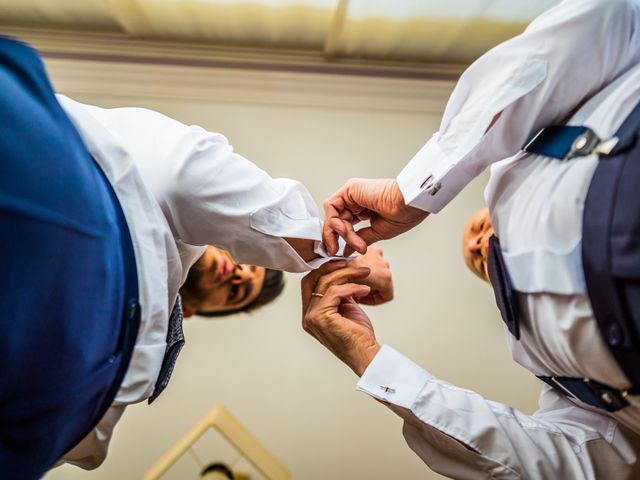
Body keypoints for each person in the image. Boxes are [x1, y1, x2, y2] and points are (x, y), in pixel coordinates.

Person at [0, 38, 393, 478]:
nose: (237, 271)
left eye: (237, 290)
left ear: (194, 311)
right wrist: (336, 254)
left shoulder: (149, 329)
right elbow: (184, 176)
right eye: (245, 260)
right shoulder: (150, 174)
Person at [303, 0, 640, 477]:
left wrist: (413, 189)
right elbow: (572, 463)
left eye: (478, 230)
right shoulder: (539, 354)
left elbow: (608, 21)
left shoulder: (526, 154)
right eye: (478, 259)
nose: (482, 246)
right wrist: (372, 362)